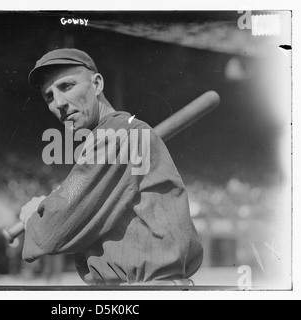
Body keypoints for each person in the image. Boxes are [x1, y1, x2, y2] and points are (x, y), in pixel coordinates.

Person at [19, 48, 203, 285]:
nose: (59, 103)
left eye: (66, 86)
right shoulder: (117, 135)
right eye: (49, 97)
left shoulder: (117, 134)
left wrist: (33, 215)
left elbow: (52, 230)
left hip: (145, 291)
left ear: (96, 84)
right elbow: (74, 194)